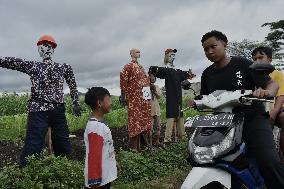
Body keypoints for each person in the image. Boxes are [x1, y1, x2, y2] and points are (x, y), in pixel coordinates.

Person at [197, 30, 284, 188]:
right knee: (208, 160)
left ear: (225, 44)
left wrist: (266, 92)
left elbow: (273, 84)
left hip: (253, 119)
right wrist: (196, 102)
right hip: (224, 124)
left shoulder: (243, 63)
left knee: (269, 161)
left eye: (213, 46)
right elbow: (205, 98)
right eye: (205, 49)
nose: (209, 51)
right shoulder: (207, 74)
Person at [0, 34, 81, 166]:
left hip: (55, 111)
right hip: (39, 110)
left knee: (63, 145)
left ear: (53, 49)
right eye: (44, 46)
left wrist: (76, 102)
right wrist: (75, 102)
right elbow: (10, 61)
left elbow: (73, 85)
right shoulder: (35, 66)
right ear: (40, 49)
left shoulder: (63, 67)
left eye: (49, 46)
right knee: (33, 145)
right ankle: (25, 176)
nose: (46, 49)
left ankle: (64, 171)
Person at [149, 49, 195, 145]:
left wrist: (189, 74)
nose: (172, 57)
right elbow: (154, 70)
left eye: (173, 55)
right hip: (171, 97)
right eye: (170, 55)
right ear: (166, 56)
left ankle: (182, 137)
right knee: (171, 116)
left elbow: (186, 75)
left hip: (179, 97)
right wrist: (153, 72)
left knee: (180, 114)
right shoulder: (166, 69)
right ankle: (167, 139)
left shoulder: (177, 70)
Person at [251, 46, 284, 160]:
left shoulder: (277, 74)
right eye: (254, 59)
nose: (257, 61)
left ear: (270, 59)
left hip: (277, 108)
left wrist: (274, 113)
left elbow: (280, 96)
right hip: (260, 108)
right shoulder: (252, 75)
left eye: (261, 57)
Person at [84, 87, 118, 189]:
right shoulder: (95, 127)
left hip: (105, 176)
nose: (111, 103)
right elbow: (94, 155)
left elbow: (106, 147)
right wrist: (94, 180)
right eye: (109, 99)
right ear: (99, 103)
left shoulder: (99, 124)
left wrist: (114, 161)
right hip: (98, 181)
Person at [120, 48, 152, 152]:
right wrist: (123, 94)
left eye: (139, 51)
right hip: (135, 100)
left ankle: (146, 145)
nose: (139, 53)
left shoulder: (141, 67)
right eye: (136, 51)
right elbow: (123, 78)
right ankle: (135, 148)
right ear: (131, 54)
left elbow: (146, 82)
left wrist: (148, 98)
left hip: (145, 100)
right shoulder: (128, 66)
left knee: (146, 119)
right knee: (135, 120)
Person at [149, 74, 164, 148]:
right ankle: (150, 143)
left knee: (158, 126)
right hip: (149, 110)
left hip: (156, 110)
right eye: (151, 77)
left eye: (154, 77)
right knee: (150, 128)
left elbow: (159, 96)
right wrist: (149, 88)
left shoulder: (157, 87)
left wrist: (154, 90)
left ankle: (157, 141)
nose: (152, 78)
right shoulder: (145, 87)